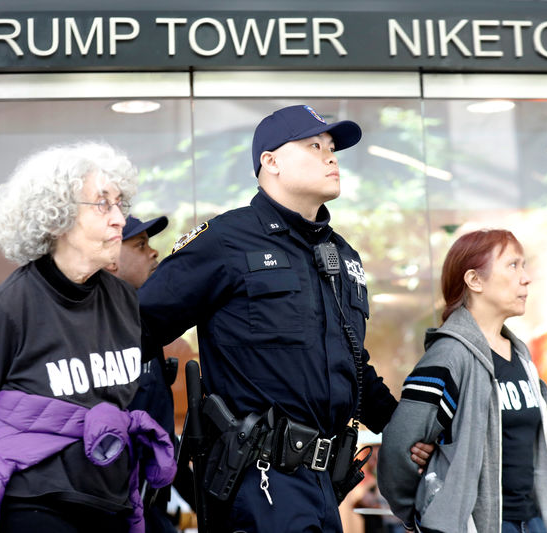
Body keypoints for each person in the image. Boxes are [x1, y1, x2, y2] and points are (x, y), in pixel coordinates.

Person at [136, 104, 409, 532]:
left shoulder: (342, 257)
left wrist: (402, 428)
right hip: (256, 482)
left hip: (324, 484)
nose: (330, 156)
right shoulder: (226, 240)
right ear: (272, 161)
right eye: (314, 146)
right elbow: (139, 328)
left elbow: (354, 365)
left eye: (332, 147)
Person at [0, 142, 176, 533]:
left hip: (111, 505)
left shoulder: (126, 302)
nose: (119, 219)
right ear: (57, 218)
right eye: (102, 204)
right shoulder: (11, 306)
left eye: (119, 204)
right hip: (34, 507)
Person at [377, 229, 547, 533]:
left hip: (534, 521)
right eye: (513, 265)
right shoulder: (448, 357)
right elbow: (397, 452)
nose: (525, 278)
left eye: (524, 265)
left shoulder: (522, 357)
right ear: (474, 280)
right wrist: (424, 516)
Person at [104, 214, 187, 533]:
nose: (153, 253)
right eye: (140, 245)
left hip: (152, 511)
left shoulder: (142, 324)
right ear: (109, 257)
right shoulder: (95, 331)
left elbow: (161, 434)